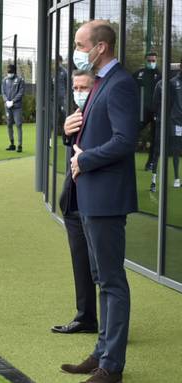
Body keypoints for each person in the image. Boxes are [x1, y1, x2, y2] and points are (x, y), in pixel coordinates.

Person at [61, 20, 138, 383]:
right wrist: (70, 134)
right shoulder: (100, 82)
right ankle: (102, 353)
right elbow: (91, 132)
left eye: (79, 43)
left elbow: (125, 141)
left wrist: (85, 159)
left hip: (106, 199)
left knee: (111, 282)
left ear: (100, 47)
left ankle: (112, 367)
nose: (76, 49)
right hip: (89, 196)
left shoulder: (120, 83)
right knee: (100, 277)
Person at [53, 70, 98, 335]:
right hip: (72, 201)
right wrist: (66, 132)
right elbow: (72, 151)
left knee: (101, 267)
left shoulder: (100, 113)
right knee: (80, 262)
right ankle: (85, 318)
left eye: (83, 88)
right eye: (75, 87)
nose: (78, 92)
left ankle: (111, 329)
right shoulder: (75, 114)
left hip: (96, 201)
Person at [150, 62, 182, 191]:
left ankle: (176, 178)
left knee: (176, 149)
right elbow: (155, 103)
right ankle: (153, 181)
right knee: (158, 150)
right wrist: (158, 117)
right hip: (164, 122)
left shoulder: (174, 83)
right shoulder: (162, 84)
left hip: (176, 122)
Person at [133, 52, 161, 171]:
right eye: (149, 60)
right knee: (132, 133)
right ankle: (126, 159)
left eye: (153, 61)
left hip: (156, 111)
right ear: (145, 61)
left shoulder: (160, 75)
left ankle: (151, 164)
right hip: (141, 111)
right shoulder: (139, 74)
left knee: (155, 138)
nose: (151, 63)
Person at [2, 64, 25, 153]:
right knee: (9, 125)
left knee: (18, 125)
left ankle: (19, 145)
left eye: (11, 72)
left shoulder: (20, 80)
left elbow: (21, 92)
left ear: (14, 72)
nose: (9, 73)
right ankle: (12, 144)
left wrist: (13, 101)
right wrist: (6, 101)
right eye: (8, 72)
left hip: (17, 107)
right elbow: (3, 92)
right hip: (8, 106)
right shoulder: (5, 80)